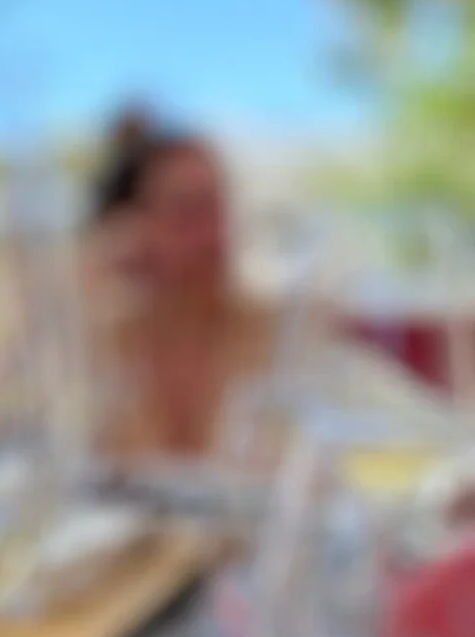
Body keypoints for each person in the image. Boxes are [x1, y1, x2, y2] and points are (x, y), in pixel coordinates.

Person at [86, 114, 448, 465]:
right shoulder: (100, 344)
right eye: (188, 212)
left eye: (218, 208)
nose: (215, 234)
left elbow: (413, 413)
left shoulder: (285, 331)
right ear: (128, 227)